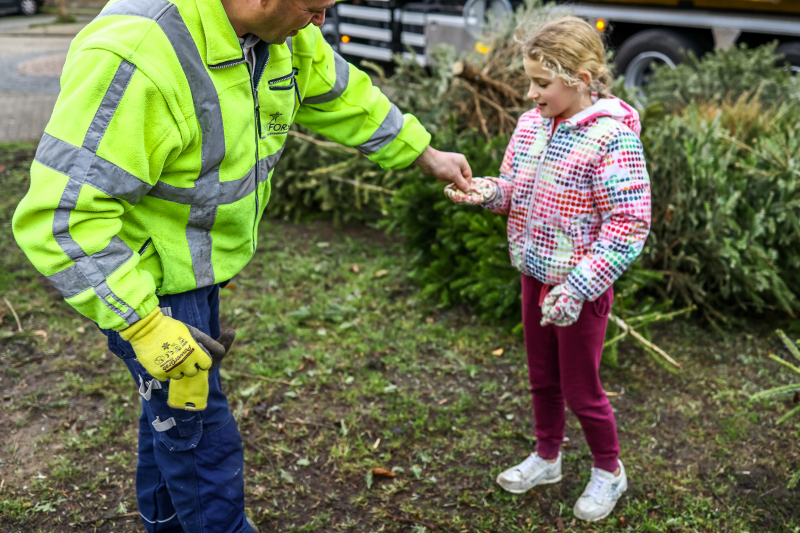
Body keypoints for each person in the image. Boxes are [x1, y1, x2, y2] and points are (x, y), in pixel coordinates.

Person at [11, 0, 472, 530]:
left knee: (169, 420)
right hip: (146, 287)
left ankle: (164, 523)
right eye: (315, 6)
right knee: (203, 438)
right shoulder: (137, 57)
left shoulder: (282, 39)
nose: (322, 20)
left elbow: (338, 87)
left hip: (192, 272)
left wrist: (423, 153)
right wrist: (142, 323)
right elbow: (61, 218)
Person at [444, 16, 651, 522]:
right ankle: (547, 457)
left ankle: (609, 470)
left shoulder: (611, 139)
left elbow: (629, 224)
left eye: (541, 82)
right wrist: (487, 191)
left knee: (582, 387)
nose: (531, 93)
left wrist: (580, 286)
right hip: (535, 272)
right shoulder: (530, 125)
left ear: (581, 77)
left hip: (579, 287)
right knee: (541, 376)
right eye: (529, 80)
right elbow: (516, 186)